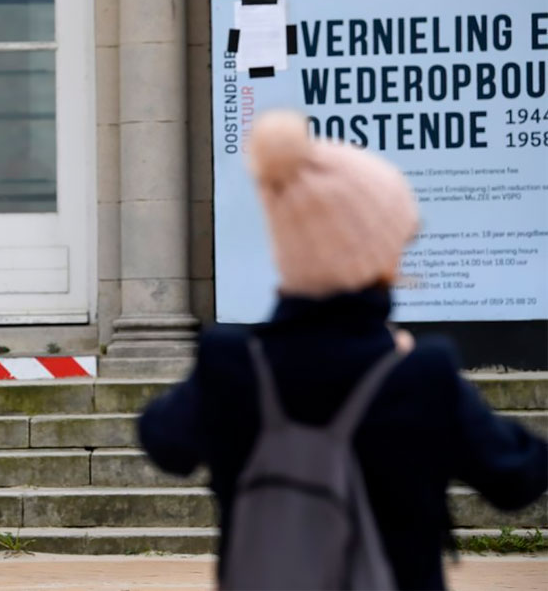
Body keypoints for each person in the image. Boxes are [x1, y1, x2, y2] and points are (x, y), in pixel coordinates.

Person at [138, 110, 547, 590]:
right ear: (380, 249)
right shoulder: (421, 373)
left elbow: (164, 442)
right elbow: (515, 478)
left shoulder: (232, 364)